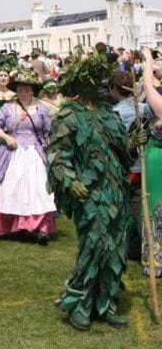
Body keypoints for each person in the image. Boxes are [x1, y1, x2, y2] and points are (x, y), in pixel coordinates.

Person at [47, 51, 140, 330]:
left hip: (116, 192)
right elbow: (57, 155)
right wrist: (69, 180)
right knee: (94, 246)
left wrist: (134, 142)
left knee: (115, 248)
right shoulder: (68, 116)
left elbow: (120, 151)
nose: (97, 86)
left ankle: (106, 304)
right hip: (89, 193)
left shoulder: (109, 115)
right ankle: (82, 305)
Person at [0, 70, 56, 243]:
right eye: (20, 89)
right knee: (12, 186)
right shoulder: (8, 108)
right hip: (13, 151)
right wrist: (7, 138)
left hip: (35, 152)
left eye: (27, 89)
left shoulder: (41, 108)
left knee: (38, 188)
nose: (23, 92)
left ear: (32, 90)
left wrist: (48, 147)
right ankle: (15, 225)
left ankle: (41, 228)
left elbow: (48, 131)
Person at [109, 69, 153, 262]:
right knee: (142, 207)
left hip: (127, 169)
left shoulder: (114, 114)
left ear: (114, 89)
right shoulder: (146, 109)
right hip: (146, 166)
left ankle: (149, 249)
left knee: (134, 209)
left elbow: (115, 146)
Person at [139, 48, 162, 276]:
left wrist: (148, 60)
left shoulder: (160, 106)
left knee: (155, 204)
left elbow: (147, 85)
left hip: (157, 160)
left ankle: (156, 258)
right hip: (156, 159)